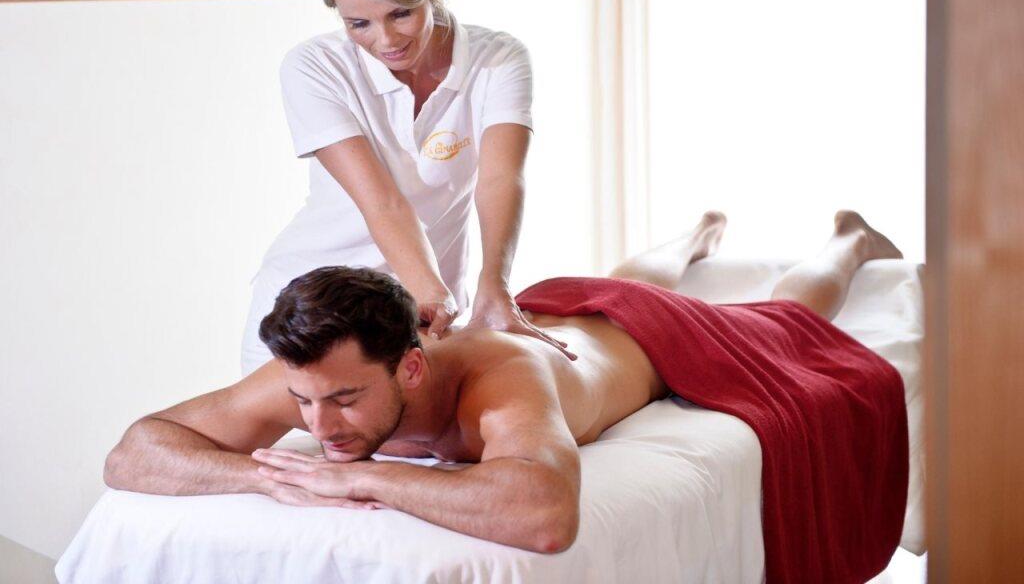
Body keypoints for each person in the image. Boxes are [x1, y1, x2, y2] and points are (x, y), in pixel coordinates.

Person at [105, 211, 908, 581]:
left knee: (786, 315)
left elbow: (546, 515)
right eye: (303, 403)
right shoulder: (319, 373)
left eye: (344, 401)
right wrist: (260, 474)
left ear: (410, 369)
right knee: (619, 280)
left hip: (655, 342)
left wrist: (363, 478)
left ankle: (847, 240)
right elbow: (133, 451)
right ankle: (698, 232)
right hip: (559, 308)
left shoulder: (501, 384)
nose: (318, 425)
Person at [240, 0, 563, 375]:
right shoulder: (315, 67)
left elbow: (500, 178)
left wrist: (495, 285)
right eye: (359, 24)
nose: (386, 39)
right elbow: (383, 202)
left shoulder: (497, 59)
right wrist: (428, 290)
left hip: (424, 315)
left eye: (401, 13)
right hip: (311, 312)